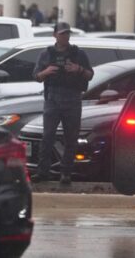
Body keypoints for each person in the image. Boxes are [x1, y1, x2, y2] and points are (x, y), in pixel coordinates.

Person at [31, 22, 94, 186]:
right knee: (47, 136)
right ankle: (42, 172)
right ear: (55, 35)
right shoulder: (46, 54)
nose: (65, 37)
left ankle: (66, 173)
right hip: (53, 98)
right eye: (62, 34)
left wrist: (78, 69)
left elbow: (90, 75)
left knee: (71, 138)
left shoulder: (78, 54)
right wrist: (46, 72)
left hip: (72, 98)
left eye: (67, 34)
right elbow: (36, 76)